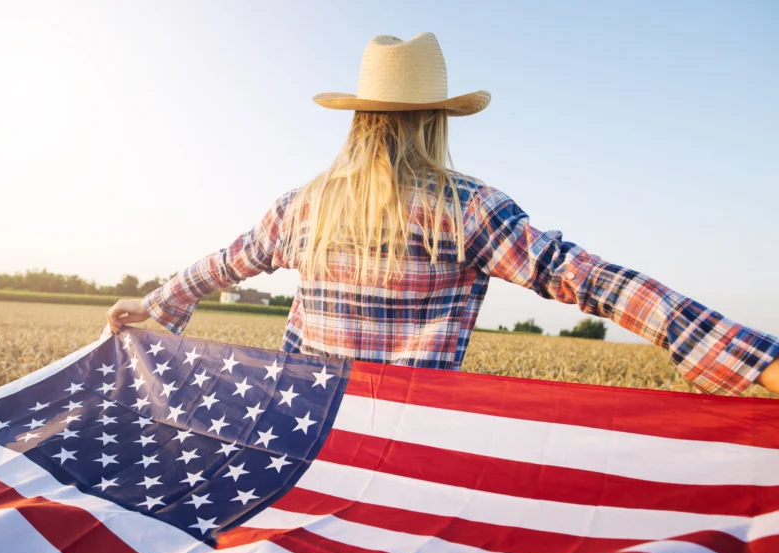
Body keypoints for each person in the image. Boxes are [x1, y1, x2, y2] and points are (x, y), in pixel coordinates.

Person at [106, 32, 779, 397]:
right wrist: (753, 362)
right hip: (415, 447)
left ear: (358, 118)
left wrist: (159, 305)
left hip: (301, 433)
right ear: (436, 118)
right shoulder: (469, 212)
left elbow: (223, 263)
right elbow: (593, 281)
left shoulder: (303, 207)